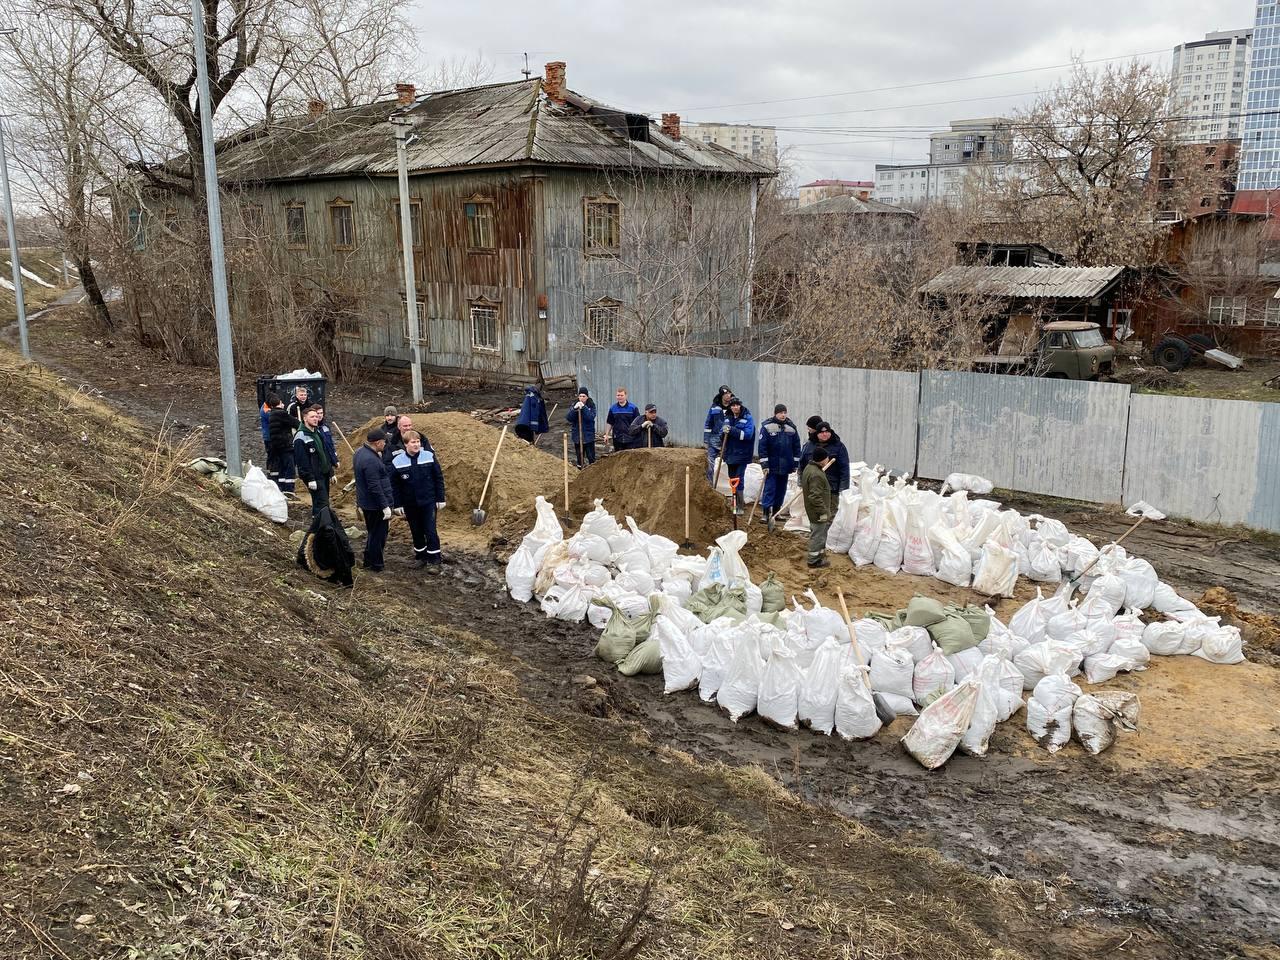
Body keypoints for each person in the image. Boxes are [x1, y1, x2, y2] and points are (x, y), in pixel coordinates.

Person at [389, 430, 446, 568]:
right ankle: (421, 557)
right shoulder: (397, 461)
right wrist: (397, 504)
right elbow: (394, 485)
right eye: (413, 442)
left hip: (428, 501)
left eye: (418, 442)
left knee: (430, 529)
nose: (416, 445)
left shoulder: (429, 456)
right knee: (416, 529)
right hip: (410, 503)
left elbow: (438, 478)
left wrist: (440, 498)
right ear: (406, 444)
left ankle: (434, 559)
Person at [354, 428, 394, 572]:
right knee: (378, 535)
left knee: (373, 533)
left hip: (367, 503)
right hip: (375, 505)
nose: (385, 444)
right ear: (377, 443)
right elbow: (374, 486)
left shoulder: (360, 452)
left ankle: (368, 561)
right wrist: (385, 506)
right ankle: (376, 565)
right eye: (384, 441)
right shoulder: (370, 460)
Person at [756, 403, 801, 530]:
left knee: (781, 490)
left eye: (785, 412)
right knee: (770, 489)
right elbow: (762, 447)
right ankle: (765, 513)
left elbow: (796, 447)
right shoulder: (767, 427)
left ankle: (776, 512)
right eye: (781, 412)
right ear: (775, 413)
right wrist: (764, 464)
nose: (783, 415)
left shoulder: (791, 428)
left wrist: (795, 463)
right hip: (772, 466)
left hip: (786, 465)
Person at [293, 405, 335, 517]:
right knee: (322, 503)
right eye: (312, 417)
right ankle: (320, 527)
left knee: (323, 502)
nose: (316, 418)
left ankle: (320, 526)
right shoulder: (300, 437)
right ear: (305, 419)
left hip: (324, 473)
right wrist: (310, 479)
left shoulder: (318, 432)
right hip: (315, 476)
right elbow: (302, 462)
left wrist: (331, 472)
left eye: (316, 416)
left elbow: (324, 453)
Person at [720, 396, 755, 515]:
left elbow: (748, 435)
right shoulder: (728, 418)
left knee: (739, 478)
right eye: (733, 405)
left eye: (737, 405)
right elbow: (723, 433)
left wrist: (732, 430)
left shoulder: (747, 417)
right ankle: (734, 502)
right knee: (732, 478)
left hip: (742, 454)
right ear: (730, 407)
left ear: (740, 405)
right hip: (730, 454)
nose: (735, 407)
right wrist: (723, 432)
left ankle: (740, 505)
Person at [802, 446, 834, 568]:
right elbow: (815, 497)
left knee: (819, 533)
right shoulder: (816, 474)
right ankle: (813, 560)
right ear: (822, 460)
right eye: (826, 458)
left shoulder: (810, 468)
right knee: (818, 535)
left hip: (813, 510)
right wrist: (823, 512)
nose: (828, 459)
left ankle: (819, 555)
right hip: (817, 512)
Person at [800, 421, 851, 497]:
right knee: (814, 508)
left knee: (830, 509)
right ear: (817, 434)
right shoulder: (809, 446)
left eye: (827, 431)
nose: (825, 434)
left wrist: (843, 489)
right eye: (822, 432)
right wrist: (801, 483)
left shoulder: (839, 446)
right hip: (812, 487)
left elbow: (844, 468)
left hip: (832, 488)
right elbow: (802, 465)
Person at [265, 392, 297, 493]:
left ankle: (282, 487)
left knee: (282, 467)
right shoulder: (281, 414)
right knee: (289, 467)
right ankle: (289, 490)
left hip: (277, 445)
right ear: (279, 403)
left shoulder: (272, 414)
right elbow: (295, 423)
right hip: (285, 445)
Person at [702, 384, 734, 482]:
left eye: (729, 393)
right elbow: (708, 423)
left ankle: (733, 489)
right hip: (714, 439)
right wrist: (706, 440)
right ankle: (709, 487)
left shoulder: (734, 406)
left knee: (731, 464)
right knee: (709, 464)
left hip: (729, 440)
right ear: (721, 396)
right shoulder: (715, 407)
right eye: (726, 394)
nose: (728, 395)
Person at [566, 388, 597, 467]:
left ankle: (592, 471)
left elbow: (590, 417)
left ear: (587, 397)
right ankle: (580, 470)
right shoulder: (574, 405)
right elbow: (569, 418)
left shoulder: (591, 405)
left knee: (591, 457)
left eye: (584, 396)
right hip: (577, 436)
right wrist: (574, 409)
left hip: (588, 437)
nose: (582, 398)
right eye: (580, 396)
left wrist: (584, 408)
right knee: (579, 458)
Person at [606, 388, 640, 452]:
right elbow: (609, 422)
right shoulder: (613, 408)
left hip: (630, 438)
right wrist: (607, 434)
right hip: (617, 438)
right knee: (618, 457)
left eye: (621, 395)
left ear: (626, 396)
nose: (620, 397)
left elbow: (638, 423)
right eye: (618, 395)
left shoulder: (633, 408)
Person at [312, 404, 341, 474]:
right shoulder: (311, 429)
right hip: (317, 463)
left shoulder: (325, 427)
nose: (320, 415)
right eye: (317, 413)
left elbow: (330, 445)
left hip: (327, 462)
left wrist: (335, 460)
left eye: (321, 413)